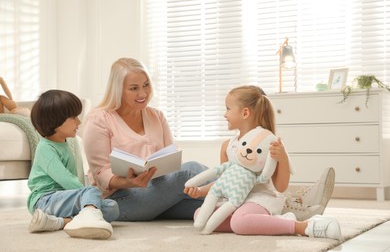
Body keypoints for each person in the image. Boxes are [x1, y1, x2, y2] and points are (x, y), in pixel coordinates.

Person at [184, 85, 341, 239]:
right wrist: (201, 191)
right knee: (199, 214)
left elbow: (281, 186)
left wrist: (283, 159)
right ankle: (270, 222)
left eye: (228, 109)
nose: (225, 114)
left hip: (260, 199)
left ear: (245, 113)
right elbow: (224, 182)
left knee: (239, 222)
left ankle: (303, 226)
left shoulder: (270, 145)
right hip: (234, 199)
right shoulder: (227, 146)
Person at [82, 57, 208, 221]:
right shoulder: (99, 119)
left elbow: (172, 157)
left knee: (210, 206)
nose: (142, 93)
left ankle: (243, 205)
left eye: (146, 85)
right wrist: (130, 183)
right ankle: (242, 187)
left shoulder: (156, 116)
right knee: (190, 170)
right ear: (118, 89)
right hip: (119, 199)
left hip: (155, 193)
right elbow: (100, 174)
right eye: (134, 88)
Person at [27, 90, 119, 240]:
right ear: (55, 121)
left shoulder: (68, 143)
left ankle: (59, 222)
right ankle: (85, 218)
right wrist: (88, 193)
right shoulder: (45, 148)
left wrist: (89, 196)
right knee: (91, 194)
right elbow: (66, 179)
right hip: (44, 201)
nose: (79, 122)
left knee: (111, 207)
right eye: (74, 117)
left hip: (63, 199)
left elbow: (75, 178)